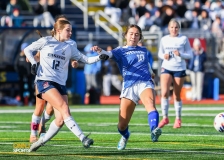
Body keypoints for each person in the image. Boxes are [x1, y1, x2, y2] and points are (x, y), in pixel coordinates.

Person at [24, 19, 109, 152]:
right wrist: (34, 64)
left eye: (71, 30)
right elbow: (27, 50)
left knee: (60, 120)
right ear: (58, 30)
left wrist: (99, 57)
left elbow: (85, 59)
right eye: (67, 30)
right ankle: (82, 138)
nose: (70, 33)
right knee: (55, 108)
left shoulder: (70, 46)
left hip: (60, 84)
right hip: (44, 81)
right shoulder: (46, 41)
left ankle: (39, 142)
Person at [91, 24, 162, 150]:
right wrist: (100, 51)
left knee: (150, 104)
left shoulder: (144, 50)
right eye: (131, 33)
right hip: (129, 86)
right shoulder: (120, 50)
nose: (134, 36)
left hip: (144, 82)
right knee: (122, 125)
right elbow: (107, 54)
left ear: (140, 37)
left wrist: (151, 71)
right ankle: (125, 136)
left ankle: (154, 130)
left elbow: (145, 63)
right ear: (125, 35)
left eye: (136, 34)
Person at [28, 15, 79, 143]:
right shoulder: (48, 41)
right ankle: (33, 134)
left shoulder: (71, 43)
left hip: (59, 80)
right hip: (44, 77)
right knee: (40, 107)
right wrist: (32, 58)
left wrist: (74, 62)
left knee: (50, 109)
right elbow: (37, 57)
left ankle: (43, 124)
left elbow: (74, 56)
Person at [158, 19, 192, 129]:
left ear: (179, 28)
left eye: (176, 27)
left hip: (179, 68)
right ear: (168, 28)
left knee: (176, 95)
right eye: (172, 27)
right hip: (166, 67)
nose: (174, 29)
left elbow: (190, 55)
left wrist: (180, 54)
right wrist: (164, 56)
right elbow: (160, 53)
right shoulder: (164, 39)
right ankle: (165, 117)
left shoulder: (183, 39)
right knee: (164, 93)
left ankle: (178, 118)